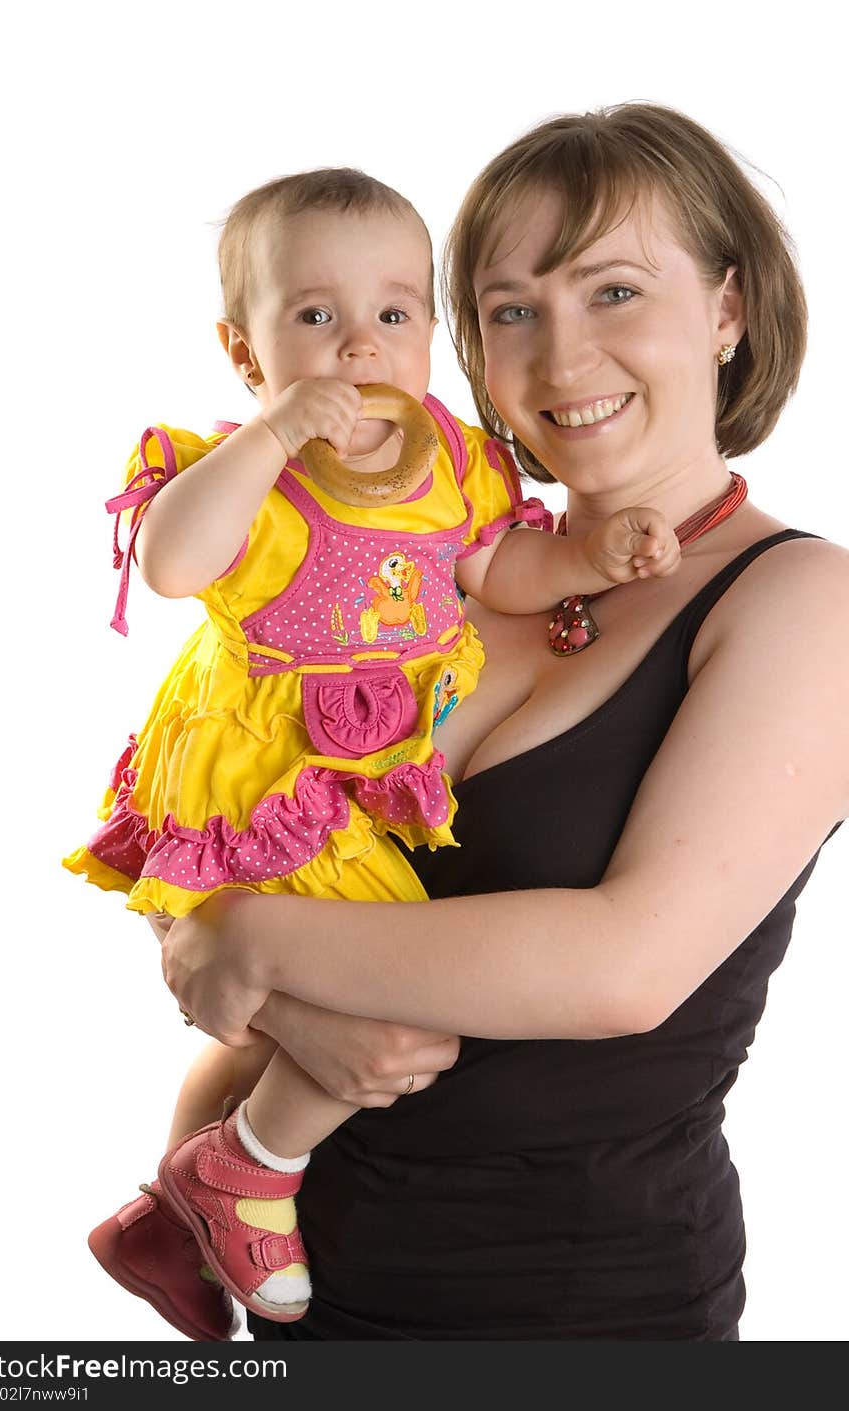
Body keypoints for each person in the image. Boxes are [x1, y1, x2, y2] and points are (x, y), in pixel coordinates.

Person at [158, 104, 849, 1342]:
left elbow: (620, 968)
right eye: (510, 308)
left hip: (577, 1305)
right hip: (304, 1282)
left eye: (614, 290)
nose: (560, 355)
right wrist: (261, 984)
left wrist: (247, 938)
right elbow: (242, 833)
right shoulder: (434, 578)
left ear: (728, 310)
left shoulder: (806, 599)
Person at [64, 168, 680, 1338]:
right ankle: (243, 1170)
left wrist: (602, 555)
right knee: (399, 1020)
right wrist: (272, 434)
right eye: (314, 317)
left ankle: (172, 1206)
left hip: (353, 777)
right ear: (244, 352)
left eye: (394, 315)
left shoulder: (450, 462)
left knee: (351, 993)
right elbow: (174, 563)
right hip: (258, 763)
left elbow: (498, 571)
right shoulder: (246, 466)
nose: (359, 347)